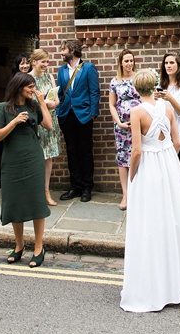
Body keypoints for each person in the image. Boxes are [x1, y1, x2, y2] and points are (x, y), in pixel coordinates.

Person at [120, 69, 180, 312]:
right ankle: (178, 284)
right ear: (154, 86)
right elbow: (177, 142)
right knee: (174, 220)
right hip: (169, 165)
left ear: (137, 89)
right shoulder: (167, 107)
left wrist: (134, 175)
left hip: (148, 167)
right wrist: (167, 160)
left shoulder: (136, 112)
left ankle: (153, 287)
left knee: (150, 224)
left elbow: (136, 150)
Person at [0, 72, 52, 268]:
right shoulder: (3, 108)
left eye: (34, 86)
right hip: (12, 160)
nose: (33, 89)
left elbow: (49, 125)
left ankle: (38, 247)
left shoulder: (33, 106)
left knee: (36, 201)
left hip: (33, 157)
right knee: (14, 201)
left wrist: (42, 102)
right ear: (19, 87)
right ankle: (19, 246)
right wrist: (14, 121)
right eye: (30, 86)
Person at [55, 39, 100, 203]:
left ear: (72, 51)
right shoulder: (61, 71)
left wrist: (93, 114)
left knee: (86, 151)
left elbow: (95, 92)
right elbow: (60, 94)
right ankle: (75, 186)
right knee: (72, 152)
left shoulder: (88, 68)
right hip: (67, 115)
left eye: (63, 49)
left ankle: (87, 187)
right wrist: (59, 112)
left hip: (84, 115)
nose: (61, 52)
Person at [29, 49, 61, 206]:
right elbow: (26, 101)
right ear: (34, 61)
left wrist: (54, 102)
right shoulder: (28, 78)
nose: (46, 65)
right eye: (43, 62)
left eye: (47, 62)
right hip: (37, 120)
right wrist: (42, 104)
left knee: (49, 157)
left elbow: (56, 98)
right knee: (36, 157)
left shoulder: (49, 76)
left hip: (51, 119)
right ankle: (34, 192)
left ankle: (46, 191)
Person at [109, 49, 139, 210]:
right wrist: (119, 122)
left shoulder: (139, 78)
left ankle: (138, 192)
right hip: (122, 127)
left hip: (139, 126)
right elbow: (112, 105)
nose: (129, 63)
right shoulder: (115, 81)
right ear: (121, 62)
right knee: (123, 159)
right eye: (126, 61)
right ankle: (126, 194)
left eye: (131, 60)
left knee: (138, 155)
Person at [156, 51, 180, 178]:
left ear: (179, 65)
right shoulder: (159, 85)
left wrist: (171, 99)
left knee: (179, 173)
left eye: (172, 63)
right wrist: (153, 99)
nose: (168, 66)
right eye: (166, 63)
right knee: (164, 174)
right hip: (163, 135)